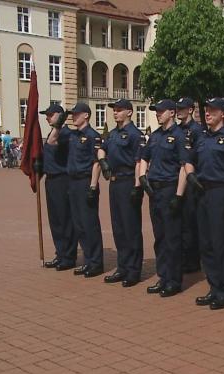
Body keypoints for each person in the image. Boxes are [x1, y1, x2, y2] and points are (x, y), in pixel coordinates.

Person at [186, 98, 224, 310]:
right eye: (206, 110)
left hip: (222, 192)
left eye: (212, 110)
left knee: (221, 243)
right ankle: (214, 287)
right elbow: (187, 159)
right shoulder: (201, 137)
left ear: (223, 114)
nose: (207, 113)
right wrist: (191, 175)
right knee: (206, 244)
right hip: (202, 192)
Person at [140, 99, 188, 297]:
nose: (158, 114)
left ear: (171, 112)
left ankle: (174, 280)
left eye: (160, 111)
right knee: (159, 236)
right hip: (155, 190)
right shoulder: (155, 136)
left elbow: (185, 166)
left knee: (172, 237)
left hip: (170, 189)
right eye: (156, 111)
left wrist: (178, 195)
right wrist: (143, 177)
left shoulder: (179, 136)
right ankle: (163, 276)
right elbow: (144, 157)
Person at [98, 99, 145, 287]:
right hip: (115, 182)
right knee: (118, 228)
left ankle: (134, 270)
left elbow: (139, 162)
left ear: (130, 112)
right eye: (114, 110)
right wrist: (103, 163)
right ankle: (122, 266)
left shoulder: (135, 135)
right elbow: (101, 150)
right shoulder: (112, 134)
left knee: (130, 227)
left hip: (128, 182)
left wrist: (137, 187)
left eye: (119, 110)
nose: (115, 113)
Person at [64, 102, 104, 278]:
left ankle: (96, 262)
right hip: (73, 182)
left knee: (89, 224)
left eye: (76, 114)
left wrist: (93, 186)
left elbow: (97, 163)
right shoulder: (73, 135)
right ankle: (88, 260)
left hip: (86, 182)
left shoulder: (92, 136)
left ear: (86, 115)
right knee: (79, 224)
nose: (73, 116)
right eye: (73, 114)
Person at [38, 104, 77, 271]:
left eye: (50, 115)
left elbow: (53, 142)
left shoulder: (65, 133)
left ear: (60, 116)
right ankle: (60, 253)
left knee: (64, 219)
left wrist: (59, 124)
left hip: (62, 180)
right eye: (46, 115)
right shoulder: (53, 131)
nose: (47, 117)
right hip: (51, 180)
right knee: (55, 220)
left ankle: (68, 256)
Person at [176, 97, 204, 273]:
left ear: (191, 110)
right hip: (177, 178)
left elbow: (197, 157)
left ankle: (193, 260)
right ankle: (184, 256)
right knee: (180, 222)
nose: (179, 111)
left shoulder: (197, 130)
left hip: (191, 180)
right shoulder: (177, 129)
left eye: (182, 108)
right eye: (177, 108)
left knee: (190, 222)